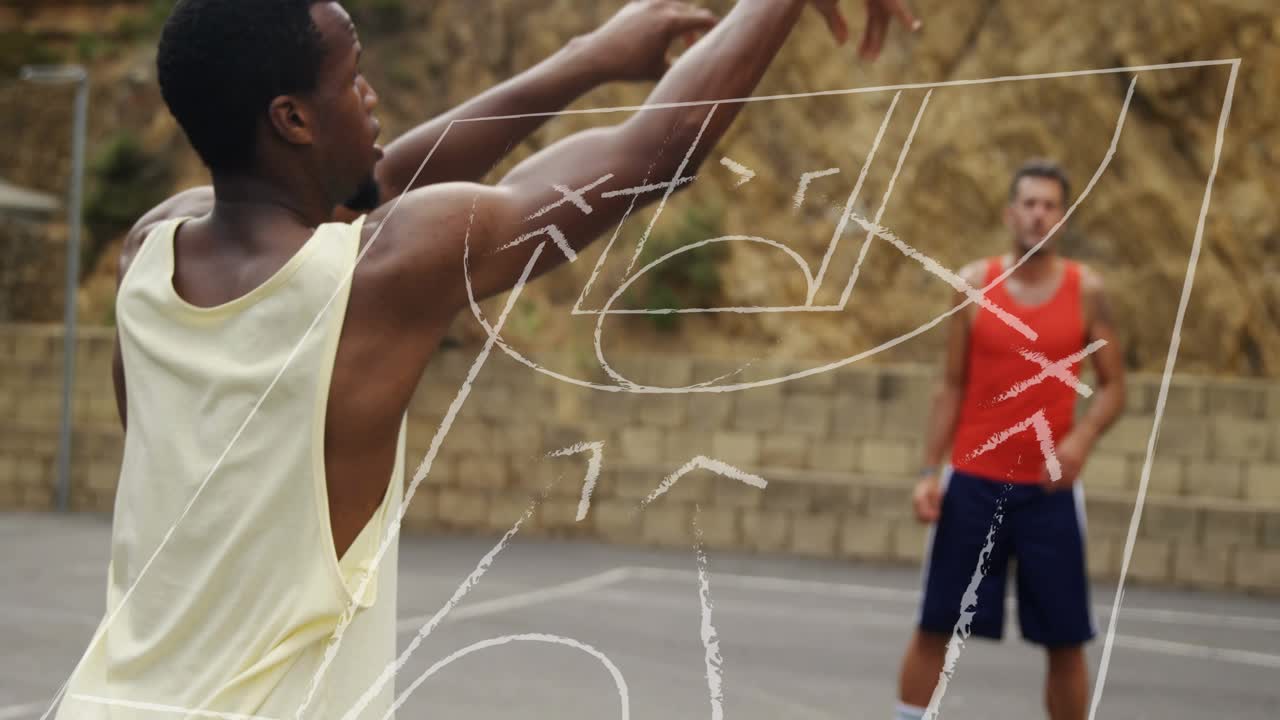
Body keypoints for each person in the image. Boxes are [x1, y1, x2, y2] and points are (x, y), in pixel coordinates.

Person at [55, 1, 921, 718]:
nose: (371, 94)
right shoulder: (375, 276)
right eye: (352, 78)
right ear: (291, 118)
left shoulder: (148, 255)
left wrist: (585, 58)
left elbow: (374, 178)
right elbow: (656, 152)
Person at [893, 158, 1127, 720]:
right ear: (1010, 213)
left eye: (1049, 205)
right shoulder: (973, 284)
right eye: (1029, 203)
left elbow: (1116, 387)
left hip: (1047, 495)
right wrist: (929, 472)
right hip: (971, 484)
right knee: (936, 627)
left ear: (1062, 218)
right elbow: (949, 384)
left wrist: (1080, 442)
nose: (1038, 214)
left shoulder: (1086, 291)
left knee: (1066, 641)